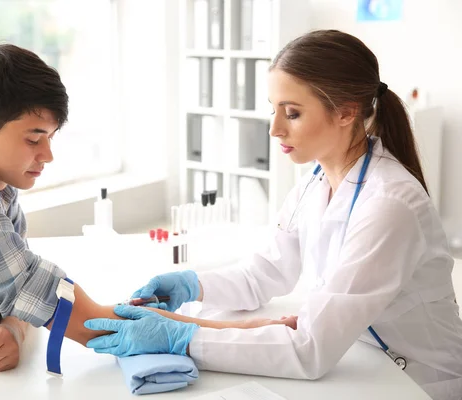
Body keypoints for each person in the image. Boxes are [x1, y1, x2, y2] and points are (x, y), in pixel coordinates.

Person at [0, 44, 296, 400]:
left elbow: (21, 294)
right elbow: (87, 322)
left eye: (50, 138)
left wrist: (14, 325)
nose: (47, 156)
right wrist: (244, 332)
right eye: (34, 138)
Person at [84, 30, 462, 400]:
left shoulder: (389, 204)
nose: (274, 129)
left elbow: (309, 349)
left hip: (414, 378)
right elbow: (265, 273)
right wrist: (190, 285)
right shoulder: (315, 182)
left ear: (346, 112)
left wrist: (183, 338)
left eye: (292, 113)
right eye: (274, 109)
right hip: (356, 354)